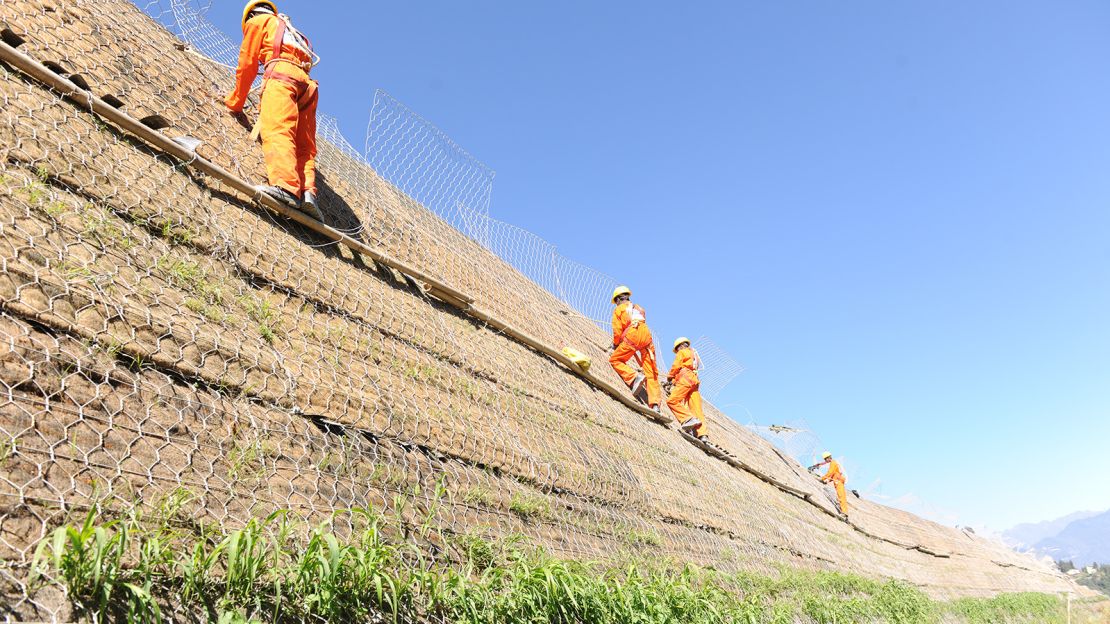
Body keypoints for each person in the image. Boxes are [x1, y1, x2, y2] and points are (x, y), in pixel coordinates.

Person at [225, 0, 323, 220]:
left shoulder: (258, 22)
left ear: (249, 16)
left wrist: (236, 103)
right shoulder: (294, 32)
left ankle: (286, 188)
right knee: (304, 143)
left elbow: (247, 64)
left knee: (278, 129)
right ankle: (308, 194)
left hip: (282, 75)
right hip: (308, 86)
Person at [608, 286, 661, 413]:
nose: (616, 304)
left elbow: (617, 330)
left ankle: (633, 377)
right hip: (646, 335)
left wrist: (615, 345)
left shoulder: (619, 310)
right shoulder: (637, 308)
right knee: (651, 371)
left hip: (633, 334)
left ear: (619, 299)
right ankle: (655, 405)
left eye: (616, 302)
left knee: (615, 360)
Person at [666, 337, 707, 441]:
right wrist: (674, 381)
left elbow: (676, 367)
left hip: (686, 379)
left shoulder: (682, 352)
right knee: (696, 408)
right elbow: (688, 368)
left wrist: (669, 377)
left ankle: (688, 419)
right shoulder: (694, 354)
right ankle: (702, 434)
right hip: (694, 381)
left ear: (679, 347)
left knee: (671, 401)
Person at [814, 451, 849, 519]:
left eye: (825, 459)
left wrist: (822, 478)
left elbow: (830, 472)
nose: (825, 461)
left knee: (841, 496)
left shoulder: (833, 463)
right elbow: (833, 475)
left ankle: (844, 512)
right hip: (837, 480)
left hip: (838, 481)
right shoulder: (833, 463)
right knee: (841, 496)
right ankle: (844, 512)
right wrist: (827, 481)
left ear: (828, 458)